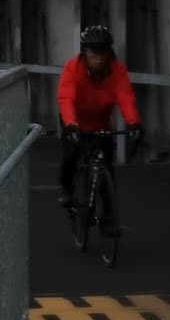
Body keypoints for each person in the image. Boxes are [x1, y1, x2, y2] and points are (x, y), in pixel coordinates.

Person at [56, 25, 143, 233]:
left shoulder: (117, 71)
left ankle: (108, 217)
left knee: (107, 168)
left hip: (100, 121)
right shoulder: (73, 68)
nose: (99, 58)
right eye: (94, 52)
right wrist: (70, 123)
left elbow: (125, 96)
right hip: (75, 120)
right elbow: (66, 96)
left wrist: (133, 122)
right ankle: (67, 189)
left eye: (103, 52)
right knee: (71, 154)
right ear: (85, 52)